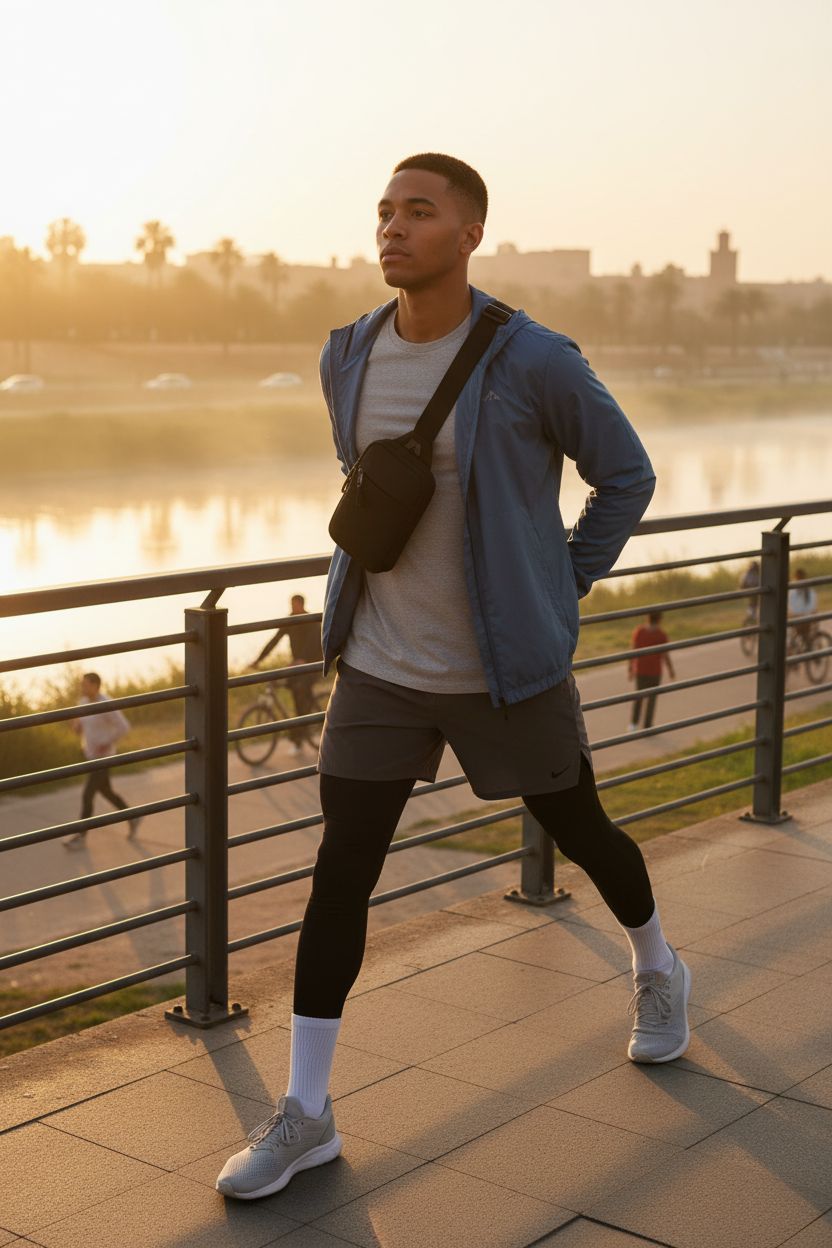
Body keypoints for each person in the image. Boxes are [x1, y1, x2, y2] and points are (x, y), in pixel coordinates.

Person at [217, 153, 692, 1201]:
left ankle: (657, 967)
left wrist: (554, 587)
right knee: (341, 872)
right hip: (382, 664)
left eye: (418, 212)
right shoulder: (347, 353)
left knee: (585, 831)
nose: (392, 228)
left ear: (469, 233)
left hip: (503, 665)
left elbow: (627, 476)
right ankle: (308, 1114)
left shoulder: (535, 360)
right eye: (384, 211)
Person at [64, 672, 137, 848]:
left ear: (96, 686)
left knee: (87, 794)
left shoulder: (106, 704)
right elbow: (80, 727)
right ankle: (133, 817)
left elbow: (124, 727)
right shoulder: (82, 703)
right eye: (82, 685)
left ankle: (81, 837)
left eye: (86, 685)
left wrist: (107, 743)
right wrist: (76, 726)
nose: (82, 688)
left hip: (104, 757)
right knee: (106, 791)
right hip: (90, 756)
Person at [252, 594, 323, 753]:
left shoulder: (311, 620)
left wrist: (303, 659)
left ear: (302, 604)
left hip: (313, 666)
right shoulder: (290, 620)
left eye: (295, 605)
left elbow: (313, 643)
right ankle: (302, 724)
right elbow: (274, 640)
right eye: (291, 605)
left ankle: (298, 738)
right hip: (298, 665)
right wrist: (258, 660)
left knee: (300, 693)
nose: (293, 608)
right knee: (293, 690)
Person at [628, 611, 675, 732]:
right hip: (655, 672)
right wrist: (671, 670)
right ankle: (647, 725)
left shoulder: (639, 631)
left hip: (641, 670)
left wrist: (630, 668)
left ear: (647, 618)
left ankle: (633, 724)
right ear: (660, 619)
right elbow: (665, 655)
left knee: (638, 697)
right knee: (652, 700)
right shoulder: (661, 634)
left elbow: (633, 650)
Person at [788, 568, 818, 650]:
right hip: (802, 618)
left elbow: (812, 607)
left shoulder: (807, 592)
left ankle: (805, 646)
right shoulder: (795, 591)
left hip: (804, 618)